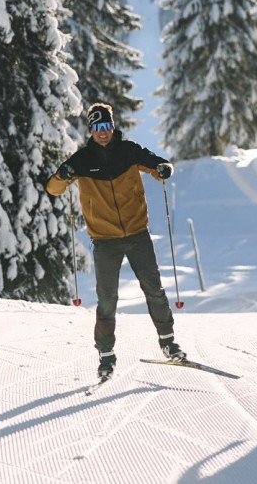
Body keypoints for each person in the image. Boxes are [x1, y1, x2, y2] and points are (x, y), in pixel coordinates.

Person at [46, 103, 181, 380]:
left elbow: (159, 165)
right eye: (97, 128)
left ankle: (168, 343)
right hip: (105, 241)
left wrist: (164, 169)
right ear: (91, 130)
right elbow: (54, 188)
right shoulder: (82, 160)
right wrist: (64, 174)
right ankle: (106, 356)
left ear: (112, 125)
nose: (102, 132)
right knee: (107, 299)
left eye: (106, 126)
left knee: (154, 289)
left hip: (137, 234)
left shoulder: (129, 151)